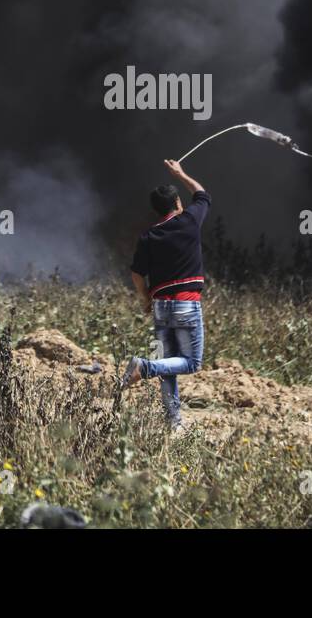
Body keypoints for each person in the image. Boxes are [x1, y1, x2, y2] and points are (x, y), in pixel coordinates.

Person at [122, 159, 210, 430]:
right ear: (178, 204)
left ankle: (173, 424)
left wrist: (146, 299)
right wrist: (180, 173)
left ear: (157, 210)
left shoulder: (149, 236)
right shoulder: (190, 220)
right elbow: (202, 193)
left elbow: (136, 273)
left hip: (161, 306)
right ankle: (144, 367)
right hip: (186, 304)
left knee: (169, 364)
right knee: (192, 363)